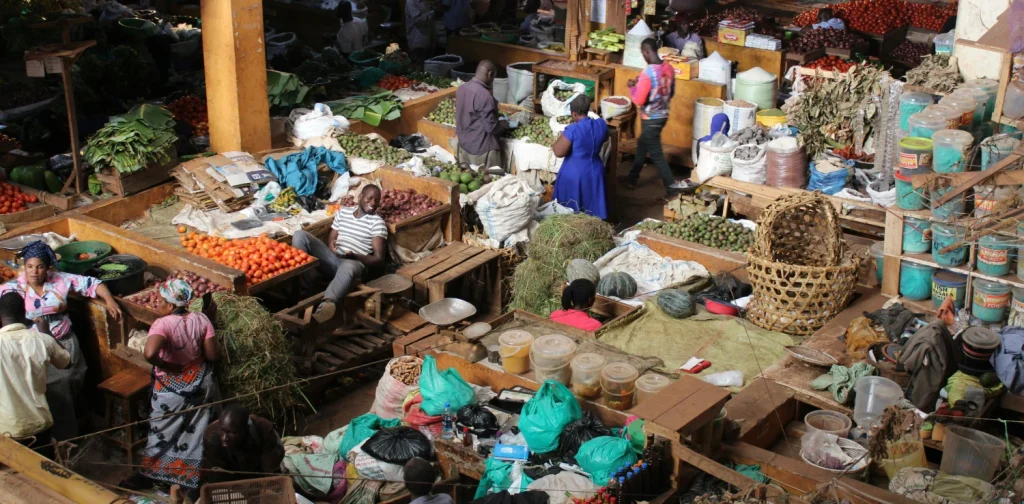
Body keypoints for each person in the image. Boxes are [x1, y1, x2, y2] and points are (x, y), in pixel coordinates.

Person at [0, 241, 122, 440]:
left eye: (39, 266)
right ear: (24, 266)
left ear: (47, 267)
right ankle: (65, 437)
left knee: (76, 379)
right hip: (38, 347)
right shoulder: (12, 289)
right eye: (29, 266)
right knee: (56, 393)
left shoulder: (59, 280)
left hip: (66, 341)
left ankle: (79, 422)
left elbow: (93, 283)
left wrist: (109, 300)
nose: (34, 272)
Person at [123, 279, 221, 492]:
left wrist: (165, 364)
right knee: (193, 430)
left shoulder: (163, 324)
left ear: (170, 305)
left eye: (160, 301)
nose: (157, 305)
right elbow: (213, 355)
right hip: (200, 384)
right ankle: (187, 477)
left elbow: (149, 353)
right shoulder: (201, 319)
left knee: (162, 430)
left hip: (171, 390)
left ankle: (153, 473)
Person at [292, 184, 387, 323]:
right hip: (333, 257)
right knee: (300, 235)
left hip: (353, 262)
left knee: (348, 266)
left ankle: (326, 306)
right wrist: (331, 244)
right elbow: (332, 236)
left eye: (376, 200)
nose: (373, 203)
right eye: (370, 198)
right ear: (360, 197)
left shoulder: (377, 223)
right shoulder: (344, 212)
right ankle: (309, 279)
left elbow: (379, 259)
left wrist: (354, 256)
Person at [0, 291, 70, 458]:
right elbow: (67, 362)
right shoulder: (42, 340)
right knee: (45, 476)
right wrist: (48, 334)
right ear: (24, 314)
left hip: (7, 430)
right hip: (40, 425)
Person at [626, 38, 677, 198]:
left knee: (656, 153)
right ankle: (632, 179)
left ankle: (672, 187)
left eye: (643, 53)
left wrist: (633, 88)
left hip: (651, 119)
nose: (644, 57)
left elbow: (639, 100)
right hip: (663, 115)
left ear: (647, 51)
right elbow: (672, 93)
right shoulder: (668, 68)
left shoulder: (648, 73)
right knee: (642, 145)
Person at [199, 404, 285, 487]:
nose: (225, 438)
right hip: (232, 476)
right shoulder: (212, 437)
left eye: (232, 432)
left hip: (258, 471)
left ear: (245, 429)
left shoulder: (262, 429)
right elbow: (217, 475)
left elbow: (271, 472)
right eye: (222, 430)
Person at [552, 95, 608, 219]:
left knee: (572, 212)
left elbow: (558, 152)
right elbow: (604, 138)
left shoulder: (573, 130)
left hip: (576, 174)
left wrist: (557, 141)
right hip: (595, 170)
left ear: (574, 113)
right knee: (592, 210)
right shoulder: (601, 124)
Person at [455, 60, 508, 168]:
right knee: (494, 179)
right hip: (483, 150)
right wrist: (504, 125)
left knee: (470, 179)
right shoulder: (485, 96)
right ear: (490, 74)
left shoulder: (461, 88)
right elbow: (491, 128)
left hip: (464, 145)